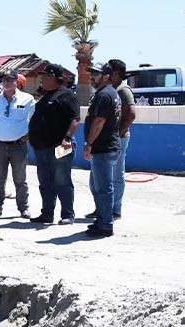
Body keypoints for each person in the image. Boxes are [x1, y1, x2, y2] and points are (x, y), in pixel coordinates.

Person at [28, 63, 81, 225]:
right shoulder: (45, 96)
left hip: (60, 146)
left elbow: (76, 119)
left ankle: (67, 215)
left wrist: (67, 138)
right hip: (41, 148)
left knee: (62, 180)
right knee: (45, 183)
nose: (42, 79)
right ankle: (47, 214)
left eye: (46, 76)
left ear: (56, 78)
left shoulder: (66, 95)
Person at [86, 59, 136, 221]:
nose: (93, 76)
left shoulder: (122, 90)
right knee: (98, 178)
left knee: (115, 177)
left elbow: (131, 115)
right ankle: (102, 209)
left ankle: (114, 210)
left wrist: (118, 134)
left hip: (116, 140)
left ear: (114, 74)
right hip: (105, 140)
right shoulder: (107, 90)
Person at [0, 69, 34, 218]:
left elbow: (35, 119)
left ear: (16, 82)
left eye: (10, 80)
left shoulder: (27, 99)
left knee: (20, 179)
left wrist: (29, 135)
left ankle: (23, 208)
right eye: (4, 80)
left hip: (19, 145)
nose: (6, 83)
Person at [83, 63, 122, 238]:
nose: (92, 77)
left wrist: (89, 143)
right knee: (97, 186)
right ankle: (101, 220)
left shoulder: (105, 95)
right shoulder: (108, 93)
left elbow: (99, 122)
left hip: (103, 148)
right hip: (105, 147)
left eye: (96, 74)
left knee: (104, 188)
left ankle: (106, 225)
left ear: (106, 76)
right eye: (91, 74)